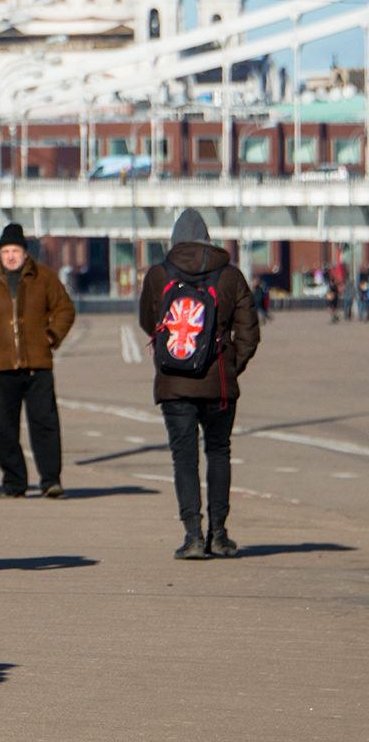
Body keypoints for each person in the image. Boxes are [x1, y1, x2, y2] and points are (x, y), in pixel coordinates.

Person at [138, 209, 260, 560]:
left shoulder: (159, 274)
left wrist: (176, 353)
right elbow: (250, 332)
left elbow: (150, 322)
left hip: (174, 384)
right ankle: (219, 535)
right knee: (219, 452)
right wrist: (231, 365)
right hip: (219, 384)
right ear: (208, 239)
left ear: (174, 241)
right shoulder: (231, 276)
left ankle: (192, 535)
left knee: (184, 458)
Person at [0, 223, 76, 499]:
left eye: (16, 250)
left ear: (25, 253)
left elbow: (65, 308)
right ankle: (14, 482)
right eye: (6, 251)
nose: (11, 256)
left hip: (37, 365)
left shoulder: (43, 278)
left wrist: (52, 336)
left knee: (45, 425)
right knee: (4, 428)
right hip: (1, 366)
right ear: (0, 254)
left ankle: (51, 480)